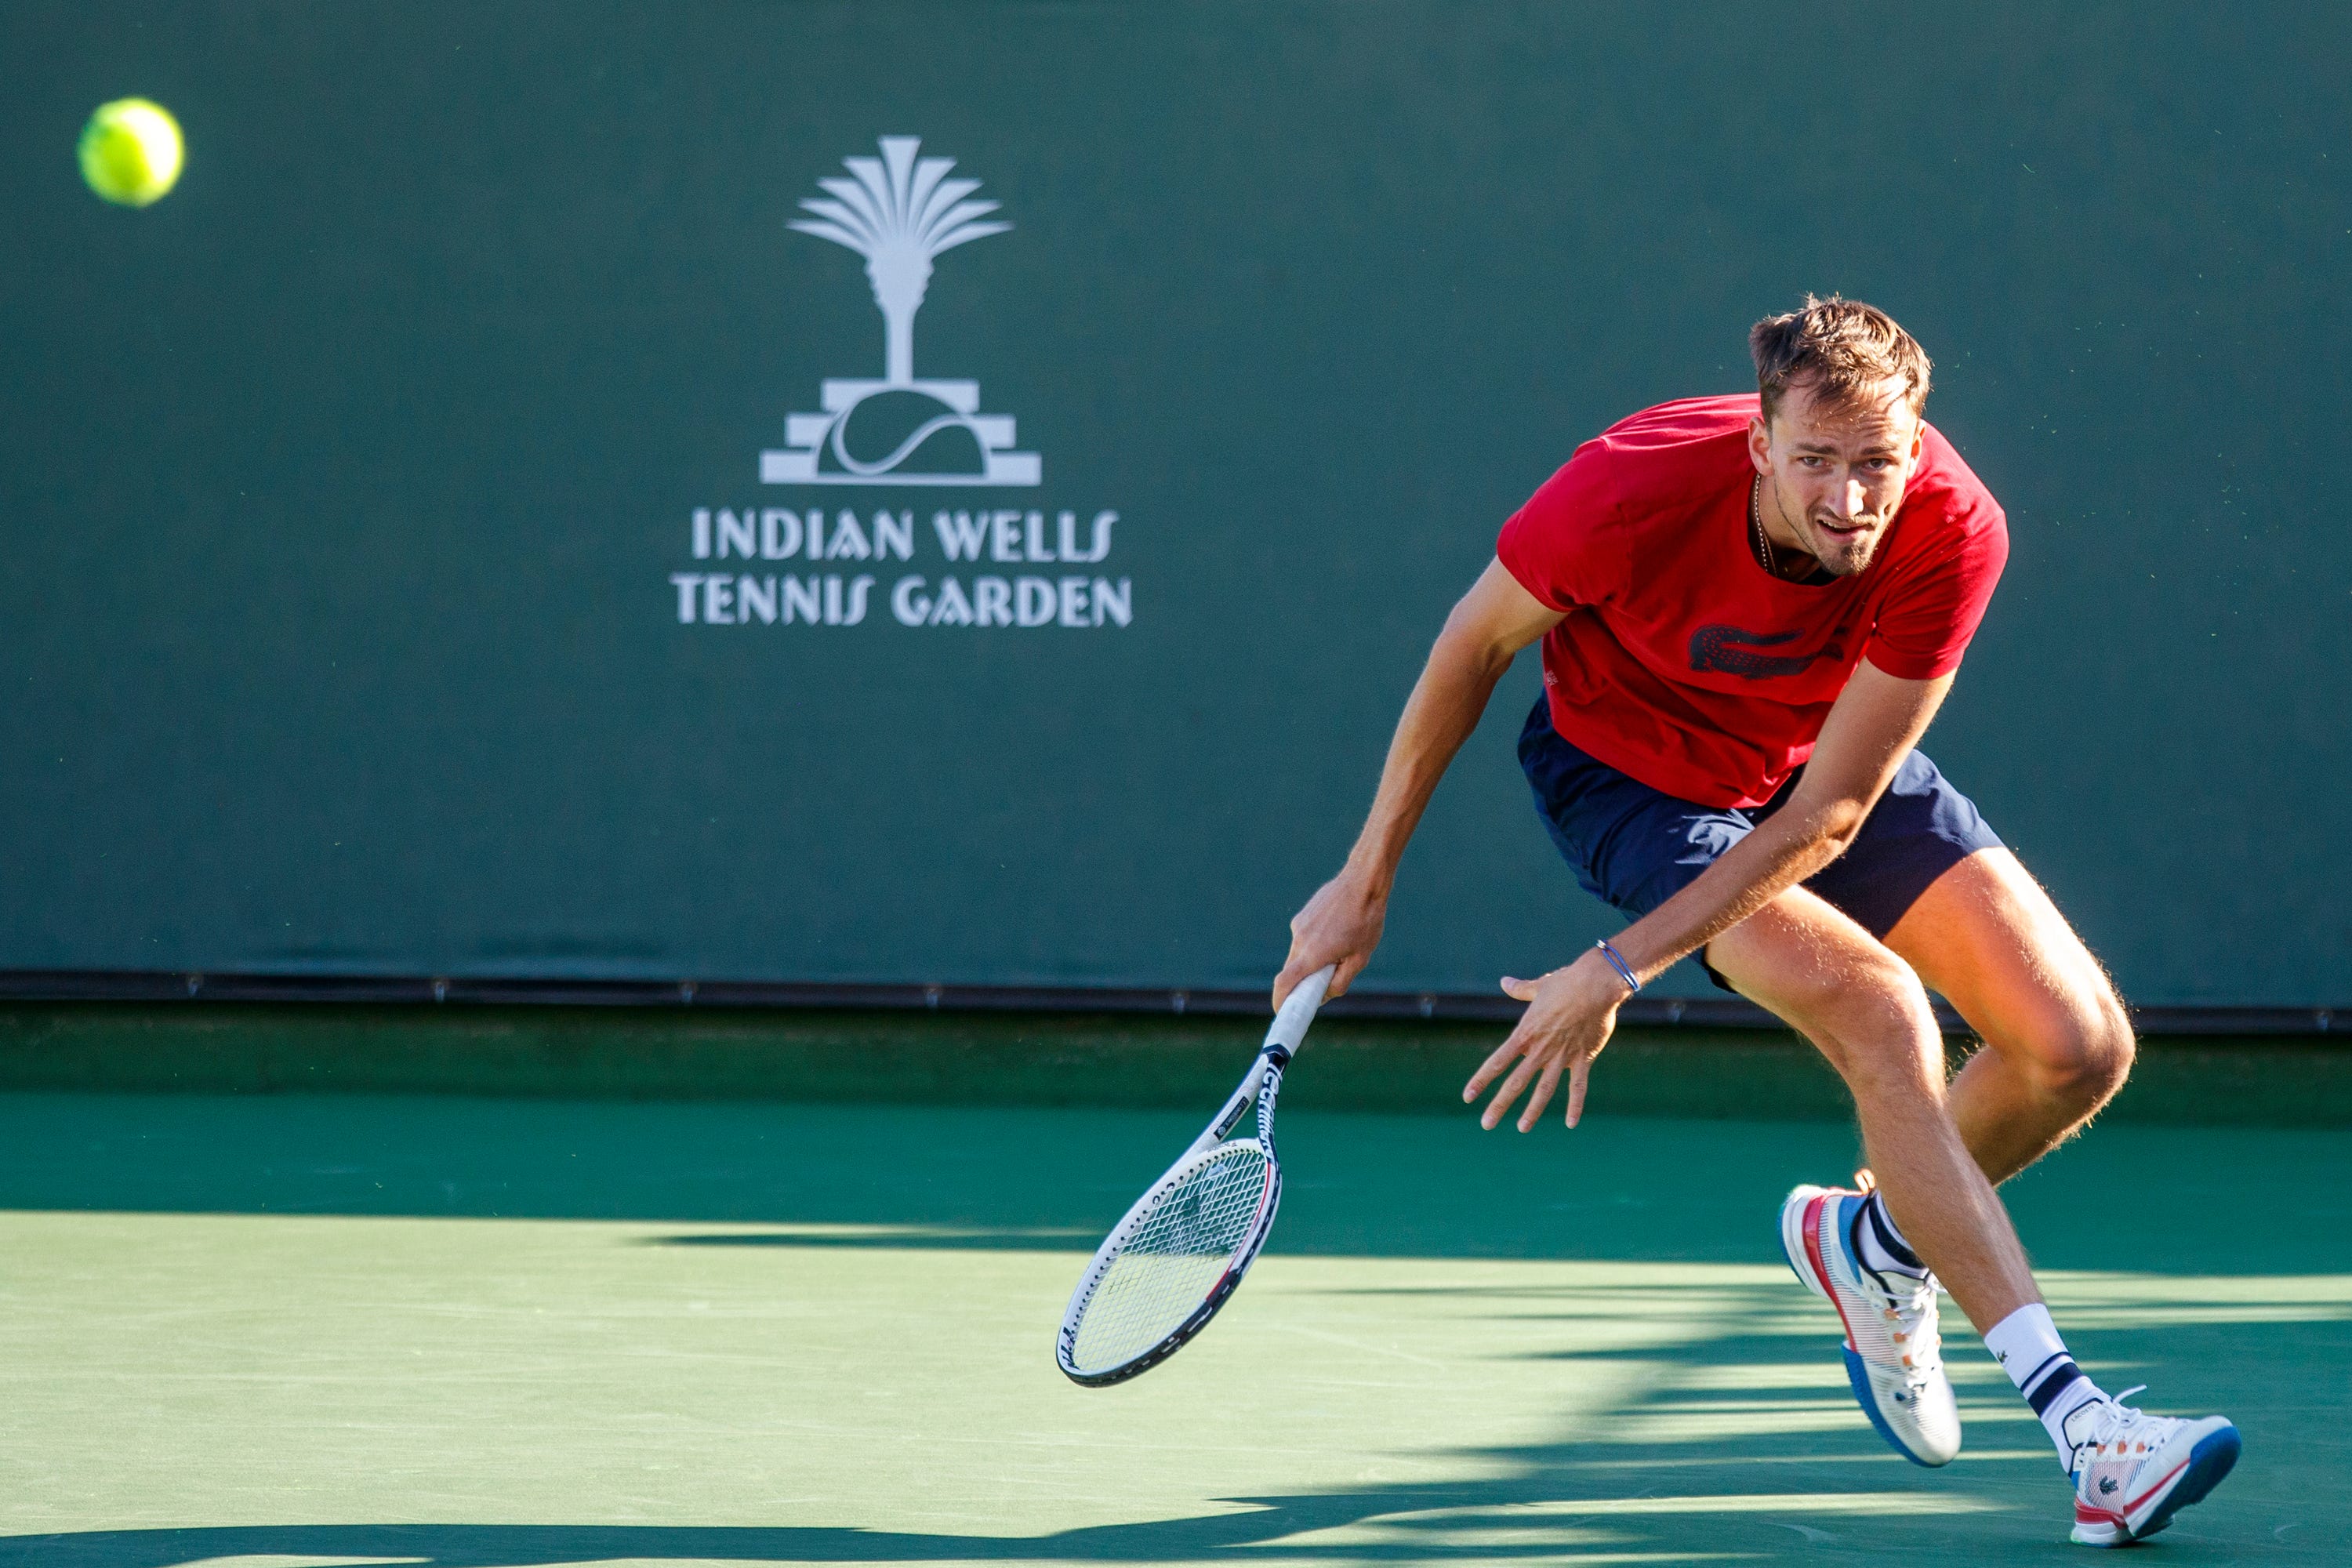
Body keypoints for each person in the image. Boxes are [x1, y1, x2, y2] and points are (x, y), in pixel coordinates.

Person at [1274, 297, 2240, 1548]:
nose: (1850, 498)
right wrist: (1367, 874)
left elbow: (1834, 812)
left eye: (1878, 462)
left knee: (2076, 1047)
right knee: (1880, 1008)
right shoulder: (1625, 492)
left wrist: (1619, 967)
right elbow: (1473, 646)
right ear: (1758, 447)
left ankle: (1874, 1244)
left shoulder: (1954, 529)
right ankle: (2086, 1433)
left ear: (1919, 444)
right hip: (1632, 779)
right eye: (1816, 462)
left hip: (1815, 769)